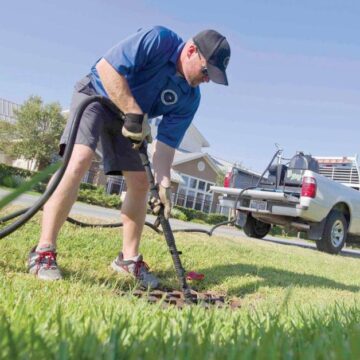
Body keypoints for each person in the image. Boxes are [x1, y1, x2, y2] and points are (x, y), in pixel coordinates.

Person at [28, 26, 231, 288]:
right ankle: (43, 251)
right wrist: (135, 111)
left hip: (131, 119)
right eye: (206, 71)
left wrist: (165, 185)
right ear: (191, 50)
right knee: (79, 159)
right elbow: (106, 68)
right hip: (96, 95)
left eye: (212, 78)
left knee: (141, 182)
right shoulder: (159, 40)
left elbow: (165, 147)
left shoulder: (189, 98)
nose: (206, 80)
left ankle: (128, 259)